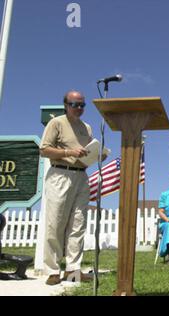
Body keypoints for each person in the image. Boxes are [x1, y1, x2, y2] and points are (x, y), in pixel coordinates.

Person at [40, 90, 96, 285]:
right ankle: (53, 270)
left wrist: (97, 155)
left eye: (82, 105)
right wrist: (69, 151)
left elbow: (87, 151)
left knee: (78, 224)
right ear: (66, 104)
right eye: (75, 104)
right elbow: (44, 150)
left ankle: (73, 270)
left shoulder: (87, 127)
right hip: (60, 173)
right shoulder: (56, 123)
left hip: (81, 176)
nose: (79, 108)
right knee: (55, 222)